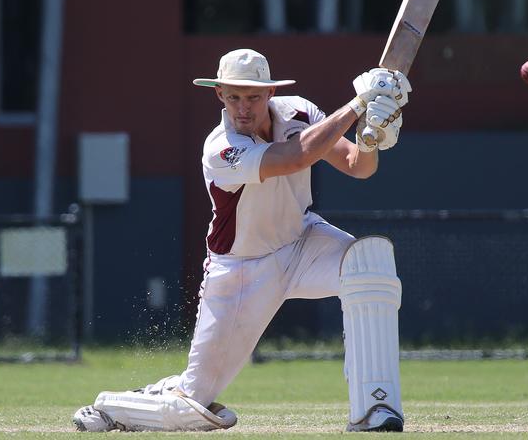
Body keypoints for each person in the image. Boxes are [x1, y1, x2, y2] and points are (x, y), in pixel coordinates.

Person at [73, 49, 411, 433]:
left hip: (302, 242)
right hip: (241, 273)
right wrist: (358, 106)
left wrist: (372, 137)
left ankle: (375, 410)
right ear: (219, 94)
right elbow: (293, 157)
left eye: (252, 97)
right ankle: (111, 407)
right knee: (192, 409)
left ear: (269, 93)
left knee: (369, 264)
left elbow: (358, 166)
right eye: (233, 97)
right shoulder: (221, 148)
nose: (243, 108)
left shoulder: (299, 113)